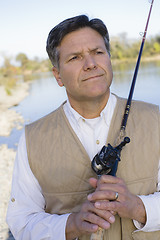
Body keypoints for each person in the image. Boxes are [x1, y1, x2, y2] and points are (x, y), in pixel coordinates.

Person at [7, 15, 160, 240]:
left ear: (109, 58)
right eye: (75, 57)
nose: (90, 64)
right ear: (58, 75)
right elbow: (21, 222)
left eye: (98, 52)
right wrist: (71, 224)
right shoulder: (32, 138)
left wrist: (138, 207)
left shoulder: (156, 119)